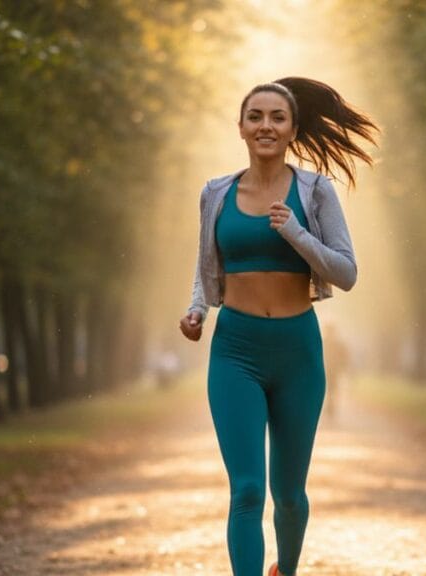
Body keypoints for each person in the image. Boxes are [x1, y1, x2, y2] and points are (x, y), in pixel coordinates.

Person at [178, 77, 377, 576]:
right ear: (241, 128)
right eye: (255, 117)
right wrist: (198, 310)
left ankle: (284, 571)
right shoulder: (215, 193)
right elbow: (207, 265)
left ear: (292, 130)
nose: (265, 125)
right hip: (236, 351)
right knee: (246, 489)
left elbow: (346, 273)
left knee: (288, 494)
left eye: (277, 118)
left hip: (297, 353)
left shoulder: (314, 191)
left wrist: (294, 231)